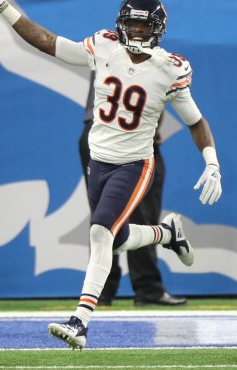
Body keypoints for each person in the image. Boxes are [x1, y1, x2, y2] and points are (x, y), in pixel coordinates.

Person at [0, 0, 223, 349]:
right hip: (99, 159)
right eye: (133, 24)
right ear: (121, 26)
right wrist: (2, 6)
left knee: (99, 233)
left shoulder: (170, 68)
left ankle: (81, 321)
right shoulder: (103, 46)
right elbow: (46, 41)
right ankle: (168, 233)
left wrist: (212, 163)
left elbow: (196, 121)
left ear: (158, 30)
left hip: (135, 163)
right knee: (117, 236)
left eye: (145, 25)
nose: (138, 31)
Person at [80, 75, 187, 307]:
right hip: (127, 135)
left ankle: (102, 291)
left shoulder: (103, 44)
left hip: (99, 134)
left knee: (104, 218)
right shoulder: (147, 56)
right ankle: (145, 287)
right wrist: (153, 127)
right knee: (116, 217)